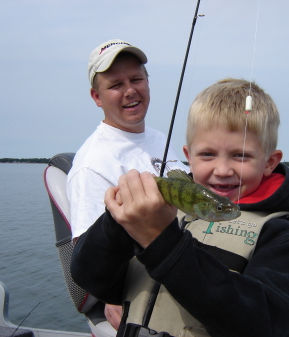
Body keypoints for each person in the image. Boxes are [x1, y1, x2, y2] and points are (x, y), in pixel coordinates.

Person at [71, 78, 289, 336]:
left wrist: (163, 243)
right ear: (188, 156)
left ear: (270, 162)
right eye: (207, 154)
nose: (223, 170)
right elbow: (91, 279)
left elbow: (270, 324)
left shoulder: (277, 232)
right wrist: (116, 223)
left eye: (241, 156)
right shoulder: (160, 210)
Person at [67, 39, 187, 328]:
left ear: (148, 82)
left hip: (187, 257)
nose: (130, 91)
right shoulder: (93, 164)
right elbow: (90, 254)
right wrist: (112, 297)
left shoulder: (162, 139)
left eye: (136, 79)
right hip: (149, 281)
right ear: (97, 97)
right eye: (116, 85)